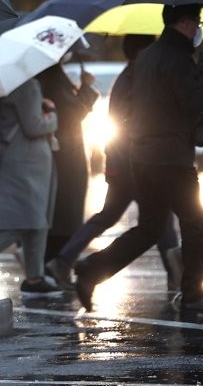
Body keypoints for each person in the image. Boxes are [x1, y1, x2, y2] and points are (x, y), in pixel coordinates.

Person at [74, 3, 203, 314]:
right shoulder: (178, 58)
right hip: (171, 155)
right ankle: (193, 294)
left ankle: (91, 270)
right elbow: (190, 101)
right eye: (197, 21)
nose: (199, 27)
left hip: (142, 155)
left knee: (150, 228)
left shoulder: (147, 57)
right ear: (185, 23)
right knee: (197, 224)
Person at [45, 35, 182, 292]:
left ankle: (63, 261)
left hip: (123, 162)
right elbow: (133, 122)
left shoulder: (131, 77)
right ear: (141, 52)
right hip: (134, 162)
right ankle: (175, 274)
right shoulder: (138, 80)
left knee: (110, 217)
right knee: (160, 219)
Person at [0, 73, 62, 296]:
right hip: (26, 164)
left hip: (16, 162)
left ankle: (35, 279)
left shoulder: (0, 85)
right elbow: (34, 126)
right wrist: (52, 113)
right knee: (19, 223)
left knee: (36, 221)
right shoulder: (27, 85)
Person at [37, 60, 98, 262]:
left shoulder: (47, 74)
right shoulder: (53, 76)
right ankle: (56, 263)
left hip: (60, 152)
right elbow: (73, 113)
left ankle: (52, 263)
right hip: (65, 154)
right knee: (64, 212)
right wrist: (86, 87)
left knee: (60, 211)